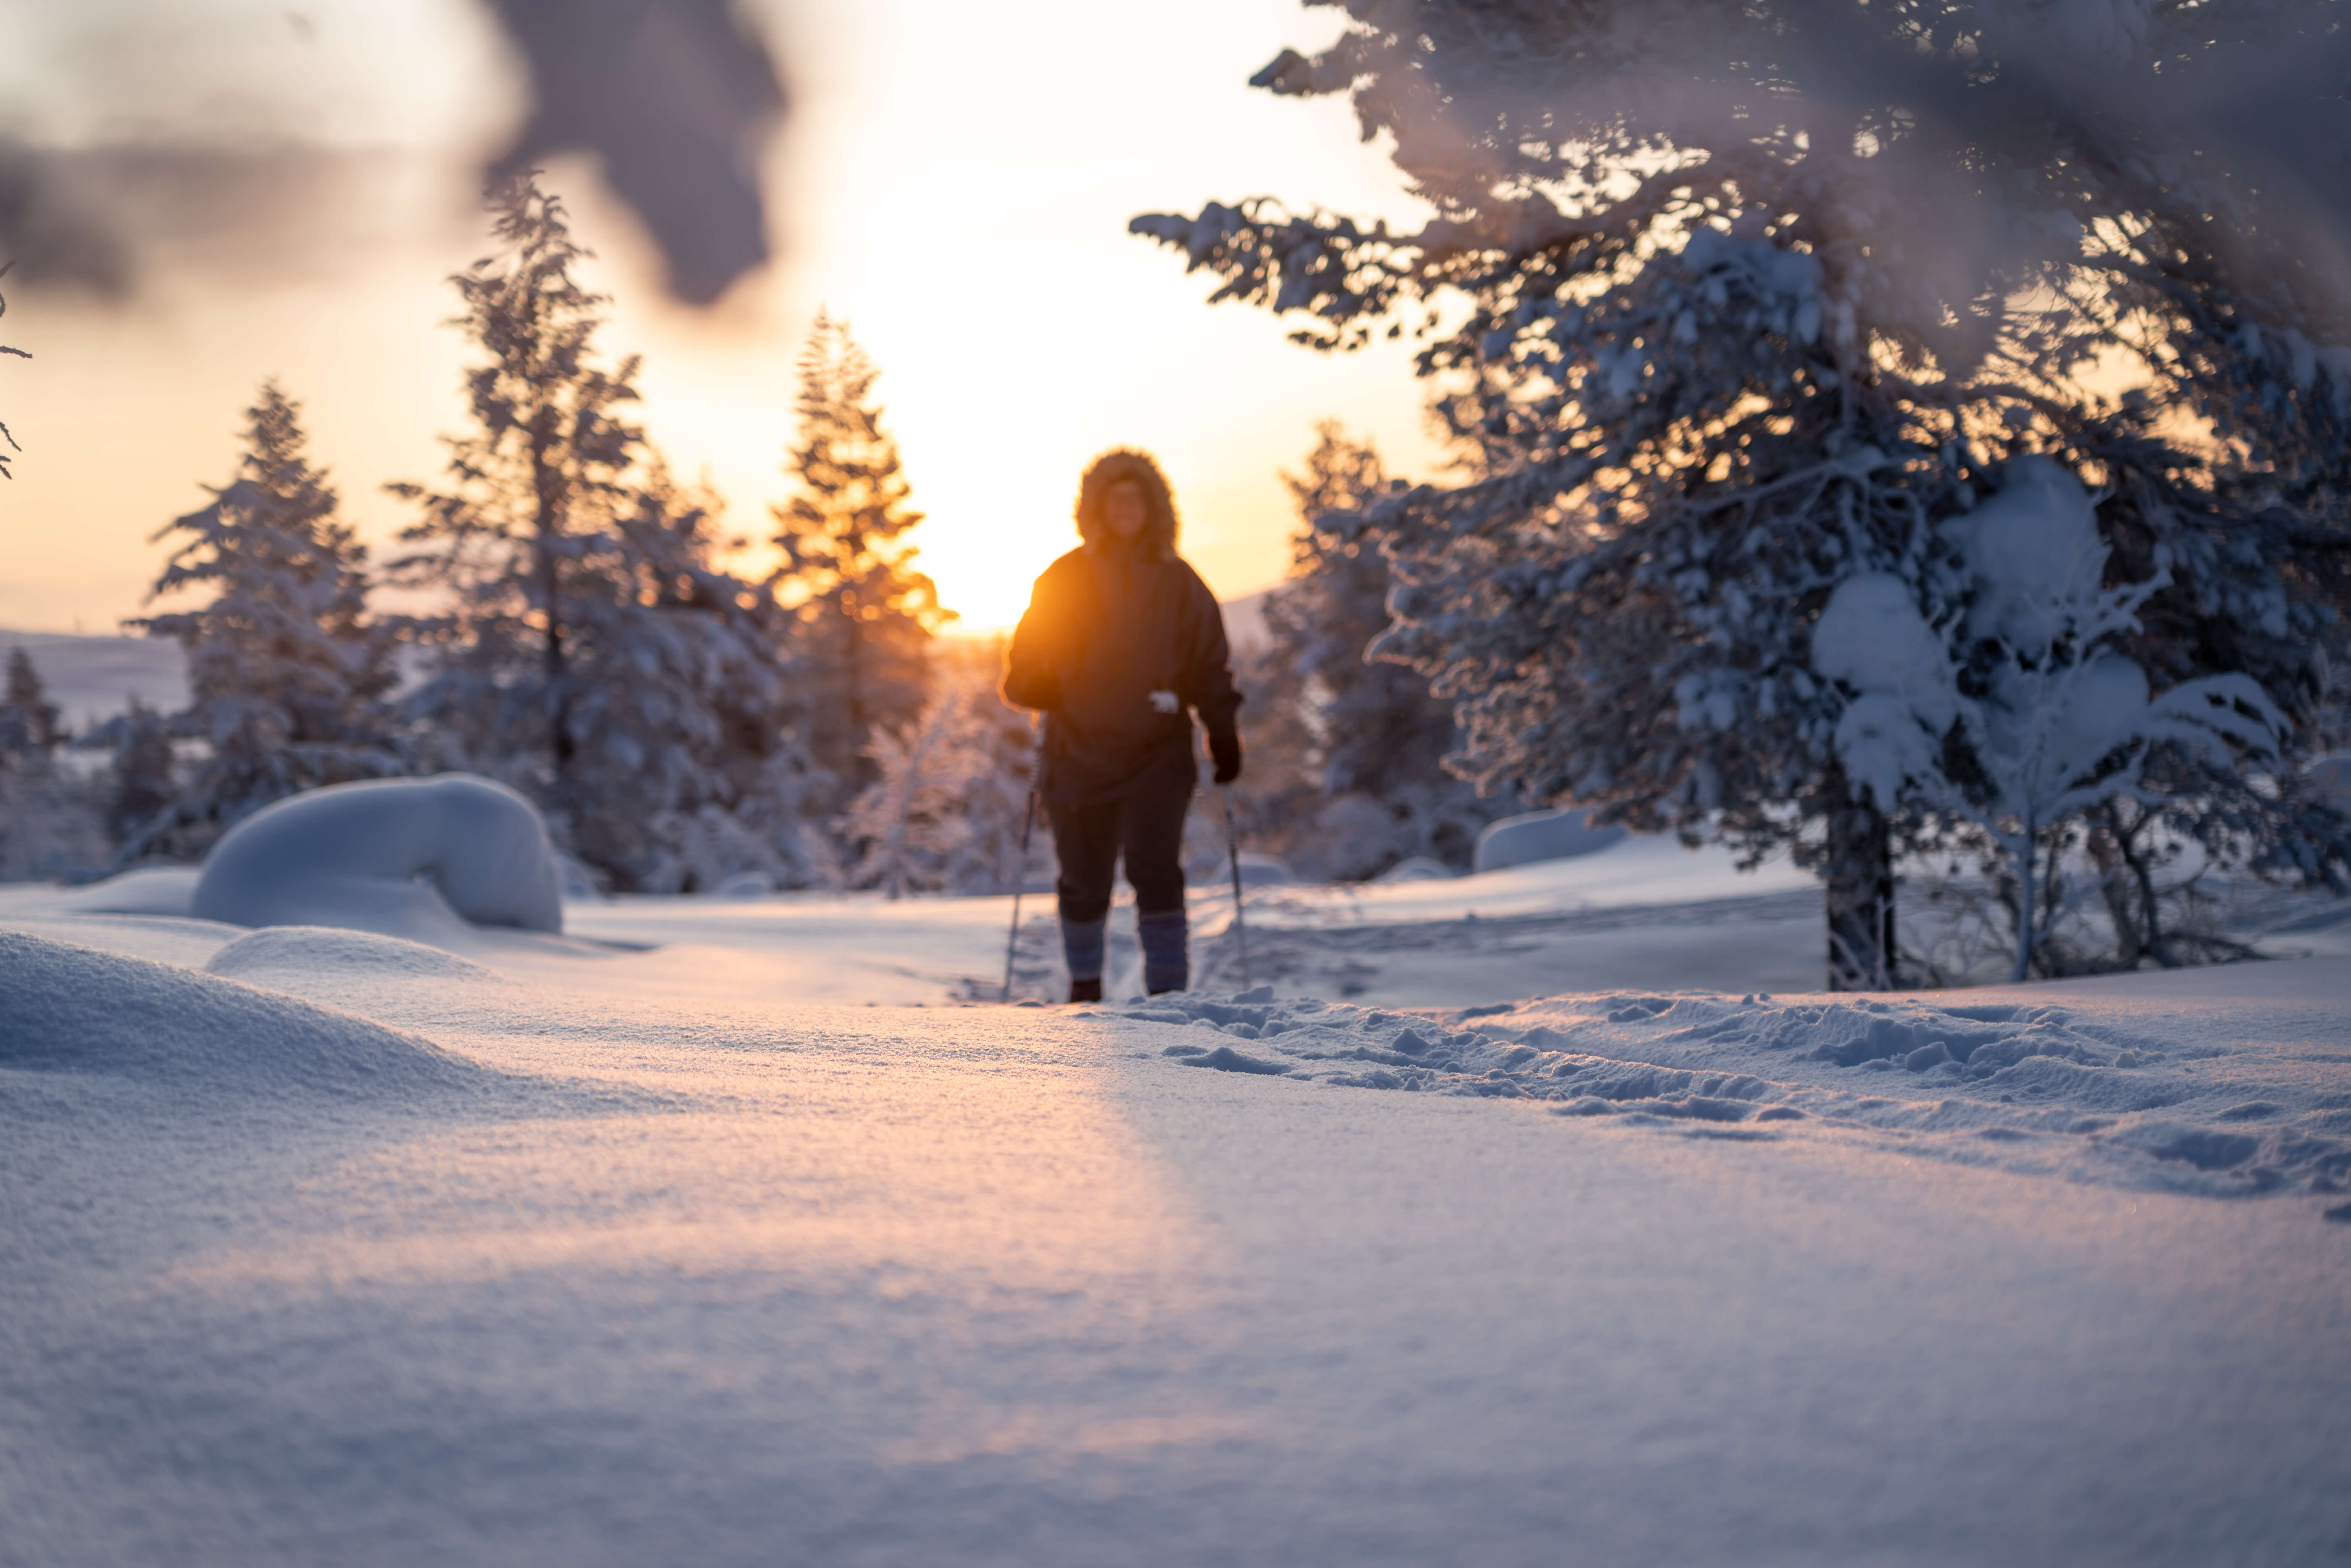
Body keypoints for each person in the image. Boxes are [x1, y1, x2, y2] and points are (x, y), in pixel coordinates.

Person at [1002, 449, 1243, 1002]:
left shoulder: (1180, 583)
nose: (1126, 509)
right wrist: (1036, 688)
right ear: (1096, 509)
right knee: (1084, 882)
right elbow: (1022, 668)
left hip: (1157, 753)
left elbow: (1210, 666)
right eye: (1115, 500)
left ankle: (1168, 998)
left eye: (1137, 499)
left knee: (1155, 871)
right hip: (1076, 751)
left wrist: (1222, 730)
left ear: (1155, 508)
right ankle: (1085, 990)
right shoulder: (1063, 578)